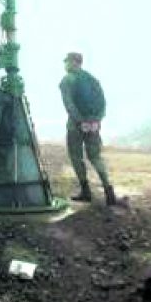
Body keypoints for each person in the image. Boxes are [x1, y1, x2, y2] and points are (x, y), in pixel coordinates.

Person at [59, 52, 116, 205]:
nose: (65, 64)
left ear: (73, 62)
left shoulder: (67, 80)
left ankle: (86, 191)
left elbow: (69, 105)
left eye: (67, 61)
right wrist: (96, 121)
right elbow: (103, 103)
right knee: (96, 157)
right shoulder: (93, 80)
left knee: (76, 157)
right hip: (94, 125)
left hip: (76, 125)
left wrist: (80, 121)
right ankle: (108, 191)